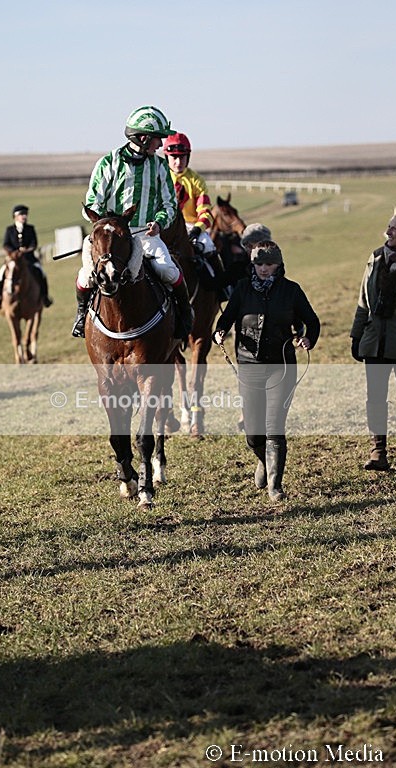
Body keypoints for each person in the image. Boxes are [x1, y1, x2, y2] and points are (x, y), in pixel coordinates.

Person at [71, 105, 194, 339]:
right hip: (110, 237)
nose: (160, 145)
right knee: (86, 276)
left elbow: (170, 204)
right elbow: (92, 202)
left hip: (145, 234)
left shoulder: (159, 166)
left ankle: (184, 316)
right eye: (158, 140)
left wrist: (159, 222)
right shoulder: (108, 162)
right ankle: (80, 316)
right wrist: (109, 225)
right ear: (144, 138)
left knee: (168, 270)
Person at [213, 241, 320, 501]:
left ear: (279, 264)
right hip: (249, 366)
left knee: (274, 427)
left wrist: (308, 339)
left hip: (281, 367)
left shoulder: (291, 291)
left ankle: (276, 486)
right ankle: (263, 459)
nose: (263, 269)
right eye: (259, 264)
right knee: (253, 433)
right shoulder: (242, 289)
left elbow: (312, 321)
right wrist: (220, 331)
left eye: (268, 264)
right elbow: (226, 319)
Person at [350, 208, 396, 471]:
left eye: (394, 228)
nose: (387, 232)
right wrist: (356, 335)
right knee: (375, 399)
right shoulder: (375, 259)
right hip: (375, 342)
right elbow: (363, 300)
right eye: (388, 227)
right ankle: (378, 453)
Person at [162, 132, 223, 282]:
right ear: (166, 157)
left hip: (191, 228)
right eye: (174, 157)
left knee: (208, 245)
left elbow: (205, 212)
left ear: (188, 157)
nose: (178, 162)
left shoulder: (196, 181)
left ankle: (222, 288)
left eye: (182, 157)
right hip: (164, 226)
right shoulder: (160, 178)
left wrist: (197, 229)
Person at [0, 205, 53, 308]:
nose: (24, 216)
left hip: (29, 259)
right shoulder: (9, 230)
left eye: (25, 214)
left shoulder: (30, 228)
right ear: (15, 216)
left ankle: (45, 297)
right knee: (1, 274)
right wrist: (14, 253)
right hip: (13, 259)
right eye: (22, 214)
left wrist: (26, 250)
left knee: (41, 273)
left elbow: (34, 244)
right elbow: (5, 244)